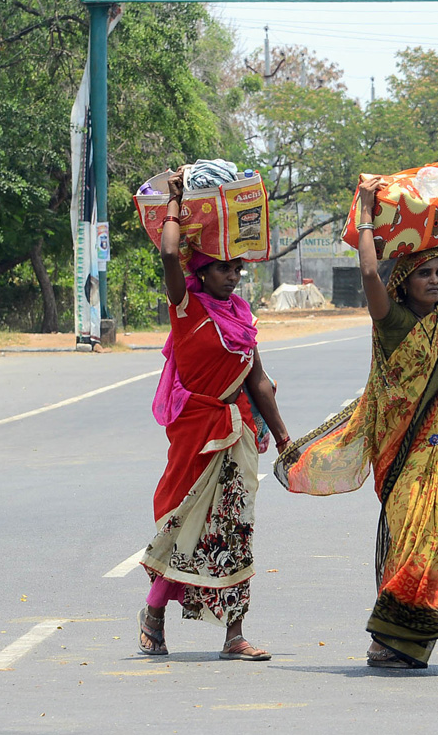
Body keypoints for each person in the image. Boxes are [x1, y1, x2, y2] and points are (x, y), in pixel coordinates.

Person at [275, 175, 438, 675]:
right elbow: (370, 274)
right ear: (405, 281)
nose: (436, 280)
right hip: (398, 448)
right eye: (425, 274)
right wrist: (367, 214)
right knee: (423, 535)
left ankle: (388, 641)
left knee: (417, 536)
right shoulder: (390, 319)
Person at [138, 169, 292, 661]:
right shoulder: (184, 306)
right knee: (185, 528)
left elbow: (259, 381)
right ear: (201, 272)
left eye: (237, 269)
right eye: (224, 268)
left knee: (236, 530)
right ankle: (154, 616)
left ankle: (235, 635)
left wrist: (285, 436)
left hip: (236, 436)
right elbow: (167, 252)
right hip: (195, 436)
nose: (233, 275)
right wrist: (177, 205)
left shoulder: (243, 318)